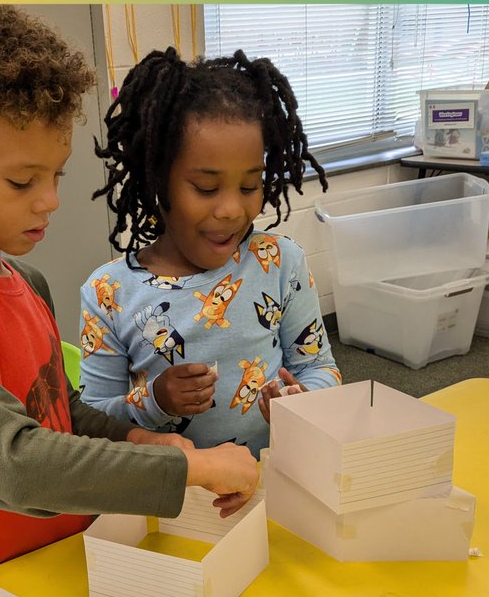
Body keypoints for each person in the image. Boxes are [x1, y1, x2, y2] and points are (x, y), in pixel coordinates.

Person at [0, 5, 259, 593]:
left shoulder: (27, 281)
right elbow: (17, 464)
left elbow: (59, 412)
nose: (49, 200)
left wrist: (137, 438)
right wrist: (189, 466)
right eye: (22, 181)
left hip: (69, 556)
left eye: (57, 176)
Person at [81, 47, 342, 459]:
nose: (232, 210)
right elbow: (93, 420)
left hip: (272, 476)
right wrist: (155, 400)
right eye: (206, 188)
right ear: (157, 182)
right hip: (174, 486)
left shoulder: (279, 262)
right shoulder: (108, 292)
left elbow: (320, 367)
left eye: (250, 186)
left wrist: (303, 399)